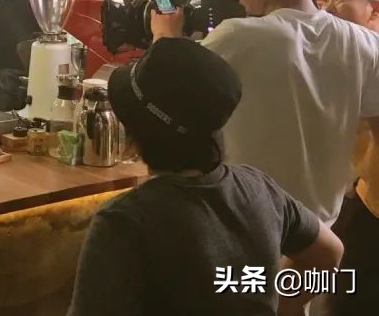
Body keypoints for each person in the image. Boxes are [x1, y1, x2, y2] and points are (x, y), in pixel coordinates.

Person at [68, 38, 343, 316]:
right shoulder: (260, 189)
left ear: (133, 131)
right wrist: (284, 302)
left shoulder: (123, 221)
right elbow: (330, 253)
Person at [151, 0, 379, 225]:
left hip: (245, 229)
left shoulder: (238, 37)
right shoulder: (364, 43)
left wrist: (165, 38)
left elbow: (162, 99)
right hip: (320, 237)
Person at [320, 0, 379, 316]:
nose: (328, 9)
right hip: (364, 198)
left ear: (375, 8)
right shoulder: (351, 56)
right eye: (325, 0)